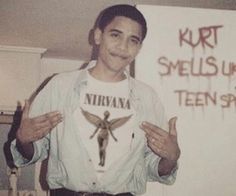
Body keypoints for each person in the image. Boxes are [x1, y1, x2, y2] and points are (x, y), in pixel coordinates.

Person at [11, 4, 180, 196]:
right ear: (98, 36)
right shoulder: (60, 86)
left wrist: (171, 158)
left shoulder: (147, 97)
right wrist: (24, 140)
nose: (123, 47)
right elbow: (34, 150)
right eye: (115, 35)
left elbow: (154, 167)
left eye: (133, 40)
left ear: (139, 47)